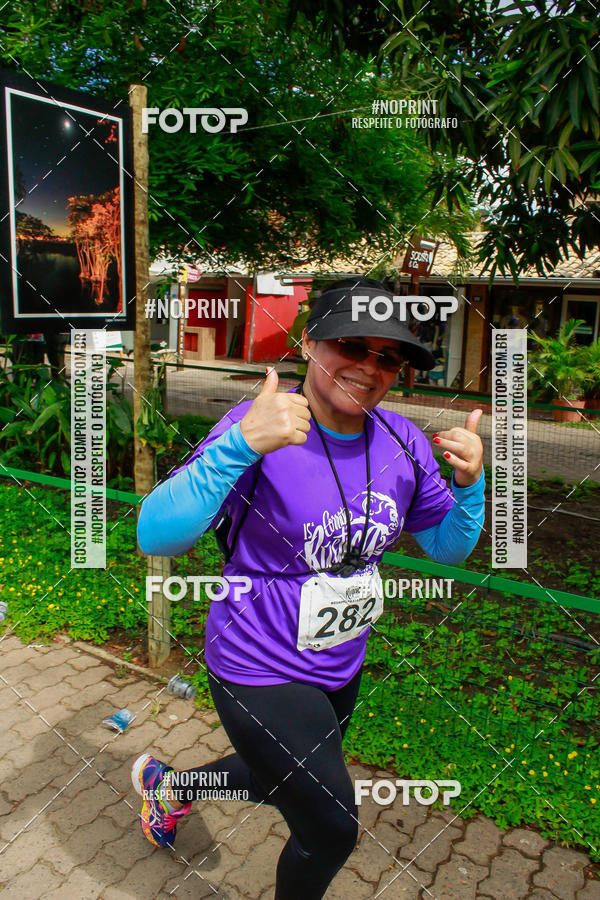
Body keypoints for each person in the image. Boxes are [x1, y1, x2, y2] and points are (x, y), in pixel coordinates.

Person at [132, 277, 485, 899]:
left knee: (277, 779)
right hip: (257, 664)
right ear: (311, 342)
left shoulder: (402, 439)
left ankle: (171, 788)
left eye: (389, 356)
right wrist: (239, 447)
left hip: (339, 661)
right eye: (351, 344)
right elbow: (156, 535)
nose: (369, 367)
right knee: (330, 826)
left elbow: (447, 546)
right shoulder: (259, 425)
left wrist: (470, 485)